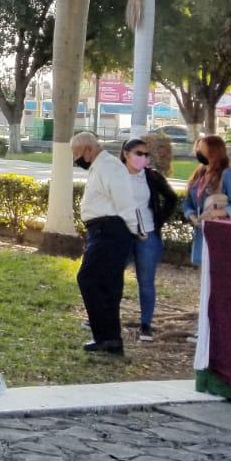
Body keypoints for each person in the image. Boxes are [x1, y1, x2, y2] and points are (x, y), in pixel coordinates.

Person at [73, 131, 141, 354]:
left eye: (78, 154)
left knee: (88, 278)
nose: (76, 160)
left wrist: (135, 229)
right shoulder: (100, 167)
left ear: (89, 149)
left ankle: (105, 336)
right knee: (108, 285)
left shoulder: (109, 167)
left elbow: (124, 201)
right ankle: (110, 339)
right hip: (103, 230)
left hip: (110, 230)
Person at [121, 138, 179, 342]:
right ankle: (102, 318)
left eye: (146, 155)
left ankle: (146, 325)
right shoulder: (115, 175)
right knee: (112, 276)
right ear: (126, 154)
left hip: (148, 235)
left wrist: (158, 220)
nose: (143, 158)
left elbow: (171, 198)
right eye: (139, 153)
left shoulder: (152, 177)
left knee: (146, 281)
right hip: (122, 234)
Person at [183, 134, 231, 266]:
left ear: (214, 152)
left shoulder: (228, 175)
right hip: (201, 232)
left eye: (201, 149)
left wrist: (215, 213)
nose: (198, 152)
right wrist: (192, 215)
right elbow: (187, 201)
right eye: (198, 149)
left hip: (221, 235)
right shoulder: (198, 174)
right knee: (203, 278)